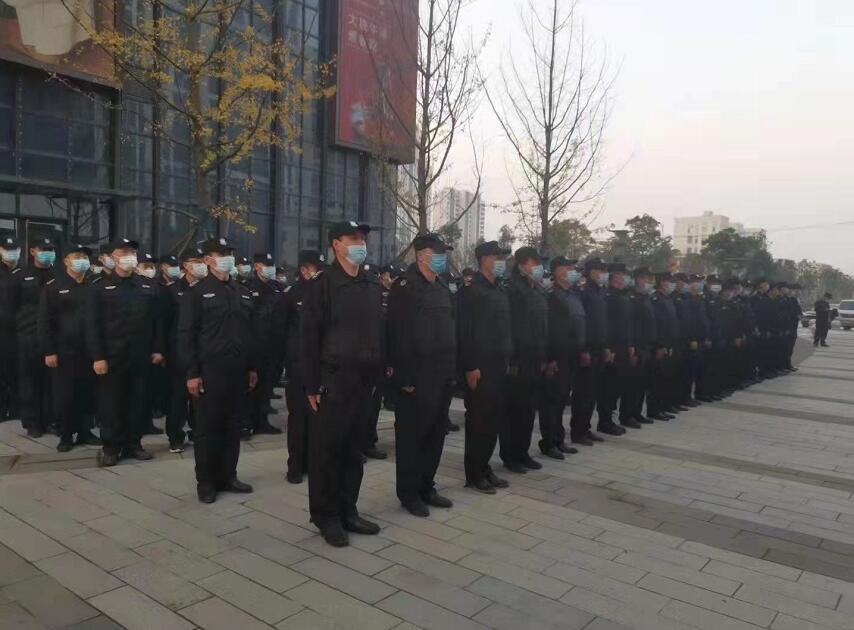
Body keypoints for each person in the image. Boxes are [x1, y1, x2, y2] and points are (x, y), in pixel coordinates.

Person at [300, 221, 384, 547]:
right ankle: (326, 516)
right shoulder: (322, 284)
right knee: (327, 452)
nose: (360, 244)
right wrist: (311, 385)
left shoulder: (371, 283)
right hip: (332, 380)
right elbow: (309, 338)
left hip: (364, 381)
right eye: (353, 239)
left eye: (362, 239)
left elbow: (379, 331)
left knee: (353, 451)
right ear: (336, 244)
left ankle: (349, 509)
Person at [178, 237, 258, 503]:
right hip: (210, 371)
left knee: (233, 426)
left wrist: (251, 367)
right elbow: (186, 335)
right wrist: (192, 373)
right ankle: (206, 481)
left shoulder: (240, 291)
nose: (227, 258)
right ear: (208, 260)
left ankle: (228, 475)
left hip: (238, 370)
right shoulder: (197, 293)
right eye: (221, 254)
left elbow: (248, 333)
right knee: (208, 428)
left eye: (229, 253)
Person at [387, 233, 456, 517]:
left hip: (441, 374)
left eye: (443, 252)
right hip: (416, 376)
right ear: (420, 255)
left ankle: (427, 486)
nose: (442, 257)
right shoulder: (405, 286)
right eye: (437, 252)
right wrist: (404, 378)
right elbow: (396, 334)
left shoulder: (441, 285)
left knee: (435, 435)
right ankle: (409, 493)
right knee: (411, 438)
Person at [86, 238, 165, 466]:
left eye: (132, 252)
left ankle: (134, 444)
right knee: (111, 404)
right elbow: (92, 326)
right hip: (112, 356)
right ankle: (111, 446)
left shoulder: (147, 286)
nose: (129, 256)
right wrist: (98, 357)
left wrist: (158, 349)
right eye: (123, 252)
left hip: (141, 355)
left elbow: (158, 321)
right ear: (112, 257)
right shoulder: (99, 287)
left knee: (138, 402)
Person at [457, 240, 513, 494]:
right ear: (484, 260)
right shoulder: (471, 291)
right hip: (480, 366)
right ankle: (474, 473)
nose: (502, 262)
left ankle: (485, 467)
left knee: (493, 420)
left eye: (503, 258)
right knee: (478, 420)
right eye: (497, 257)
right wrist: (470, 366)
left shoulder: (499, 289)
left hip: (499, 365)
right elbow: (464, 331)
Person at [38, 243, 100, 451]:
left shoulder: (92, 287)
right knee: (64, 395)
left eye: (84, 257)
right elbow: (45, 321)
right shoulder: (54, 287)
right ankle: (65, 434)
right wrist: (49, 351)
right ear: (66, 261)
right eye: (77, 257)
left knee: (86, 392)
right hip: (63, 351)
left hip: (88, 351)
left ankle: (85, 431)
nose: (81, 260)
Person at [502, 246, 548, 474]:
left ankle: (522, 452)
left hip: (535, 359)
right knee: (515, 410)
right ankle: (510, 455)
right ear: (521, 266)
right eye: (534, 263)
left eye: (539, 263)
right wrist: (512, 359)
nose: (538, 267)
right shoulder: (512, 290)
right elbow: (508, 327)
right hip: (518, 360)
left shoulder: (537, 289)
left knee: (529, 410)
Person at [282, 249, 324, 484]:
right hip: (298, 365)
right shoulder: (291, 294)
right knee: (298, 418)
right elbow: (281, 330)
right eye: (316, 269)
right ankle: (295, 465)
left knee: (317, 418)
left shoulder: (325, 291)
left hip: (321, 364)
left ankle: (312, 462)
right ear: (304, 270)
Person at [540, 257, 585, 458]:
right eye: (567, 267)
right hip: (557, 357)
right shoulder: (552, 296)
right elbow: (551, 331)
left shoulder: (573, 295)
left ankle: (559, 439)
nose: (572, 270)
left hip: (571, 356)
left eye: (573, 267)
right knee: (551, 402)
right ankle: (549, 442)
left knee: (561, 401)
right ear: (557, 271)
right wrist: (551, 358)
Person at [13, 235, 57, 438]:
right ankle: (32, 422)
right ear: (32, 251)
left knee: (50, 381)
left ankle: (49, 419)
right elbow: (12, 306)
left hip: (52, 336)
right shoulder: (21, 275)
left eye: (51, 250)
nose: (48, 253)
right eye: (43, 249)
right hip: (28, 335)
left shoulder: (58, 275)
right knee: (29, 380)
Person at [164, 248, 206, 453]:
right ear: (186, 265)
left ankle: (198, 432)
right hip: (178, 351)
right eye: (196, 261)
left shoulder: (207, 288)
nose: (200, 265)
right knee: (178, 399)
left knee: (200, 398)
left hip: (202, 351)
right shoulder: (172, 290)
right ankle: (175, 437)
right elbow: (164, 323)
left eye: (202, 261)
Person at [245, 252, 285, 436]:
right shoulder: (248, 287)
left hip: (273, 344)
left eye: (271, 265)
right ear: (257, 267)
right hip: (254, 345)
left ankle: (261, 421)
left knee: (267, 384)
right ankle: (248, 421)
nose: (269, 268)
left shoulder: (277, 287)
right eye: (265, 265)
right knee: (252, 385)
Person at [573, 258, 611, 442]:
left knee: (592, 392)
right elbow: (583, 323)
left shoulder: (599, 292)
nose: (603, 273)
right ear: (590, 272)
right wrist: (584, 349)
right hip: (588, 348)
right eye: (599, 270)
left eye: (604, 270)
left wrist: (605, 347)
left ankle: (586, 428)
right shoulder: (584, 292)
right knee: (583, 392)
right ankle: (578, 430)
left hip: (598, 348)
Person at [599, 262, 635, 432]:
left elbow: (626, 324)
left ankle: (611, 419)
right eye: (620, 275)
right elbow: (607, 325)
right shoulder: (608, 297)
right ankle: (605, 421)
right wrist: (609, 348)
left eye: (624, 275)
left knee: (618, 385)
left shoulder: (622, 296)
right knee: (609, 387)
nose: (623, 278)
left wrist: (629, 344)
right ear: (613, 277)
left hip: (622, 346)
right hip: (613, 348)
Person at [0, 233, 22, 422]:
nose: (11, 253)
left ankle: (16, 408)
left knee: (18, 372)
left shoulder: (26, 272)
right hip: (2, 331)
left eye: (14, 249)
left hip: (21, 331)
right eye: (7, 250)